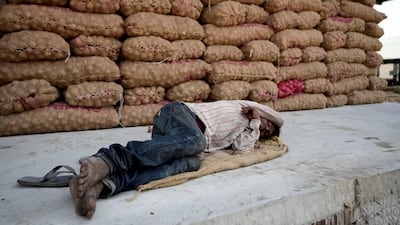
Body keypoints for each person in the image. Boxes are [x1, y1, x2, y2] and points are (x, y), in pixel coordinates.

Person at [69, 100, 284, 219]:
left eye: (268, 132)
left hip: (176, 138)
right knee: (196, 141)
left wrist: (255, 127)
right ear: (265, 113)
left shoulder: (249, 130)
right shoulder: (241, 107)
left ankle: (103, 185)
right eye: (268, 124)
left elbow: (242, 150)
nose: (266, 129)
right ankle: (108, 160)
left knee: (191, 164)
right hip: (178, 113)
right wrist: (254, 115)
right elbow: (252, 110)